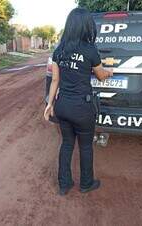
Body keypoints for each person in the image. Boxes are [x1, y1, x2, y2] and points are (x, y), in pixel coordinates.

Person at [44, 8, 113, 196]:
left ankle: (64, 184)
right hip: (83, 107)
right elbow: (100, 76)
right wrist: (109, 72)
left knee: (66, 143)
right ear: (86, 27)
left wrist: (49, 104)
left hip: (62, 105)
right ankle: (86, 183)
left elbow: (55, 81)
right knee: (85, 146)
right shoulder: (90, 50)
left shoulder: (60, 50)